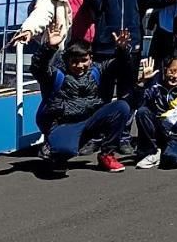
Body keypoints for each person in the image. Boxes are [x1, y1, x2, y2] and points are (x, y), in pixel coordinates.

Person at [30, 21, 132, 175]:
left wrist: (122, 50)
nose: (79, 65)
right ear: (67, 60)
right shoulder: (57, 75)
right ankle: (56, 152)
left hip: (90, 121)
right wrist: (49, 48)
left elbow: (121, 67)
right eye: (74, 61)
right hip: (64, 124)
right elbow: (38, 68)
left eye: (84, 60)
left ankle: (107, 154)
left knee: (122, 107)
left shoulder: (98, 70)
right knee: (64, 150)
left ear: (90, 58)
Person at [133, 55, 177, 169]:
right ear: (165, 71)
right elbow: (137, 103)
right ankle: (153, 151)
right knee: (142, 111)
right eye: (172, 71)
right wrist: (142, 82)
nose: (175, 76)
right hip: (160, 135)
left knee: (170, 160)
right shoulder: (156, 89)